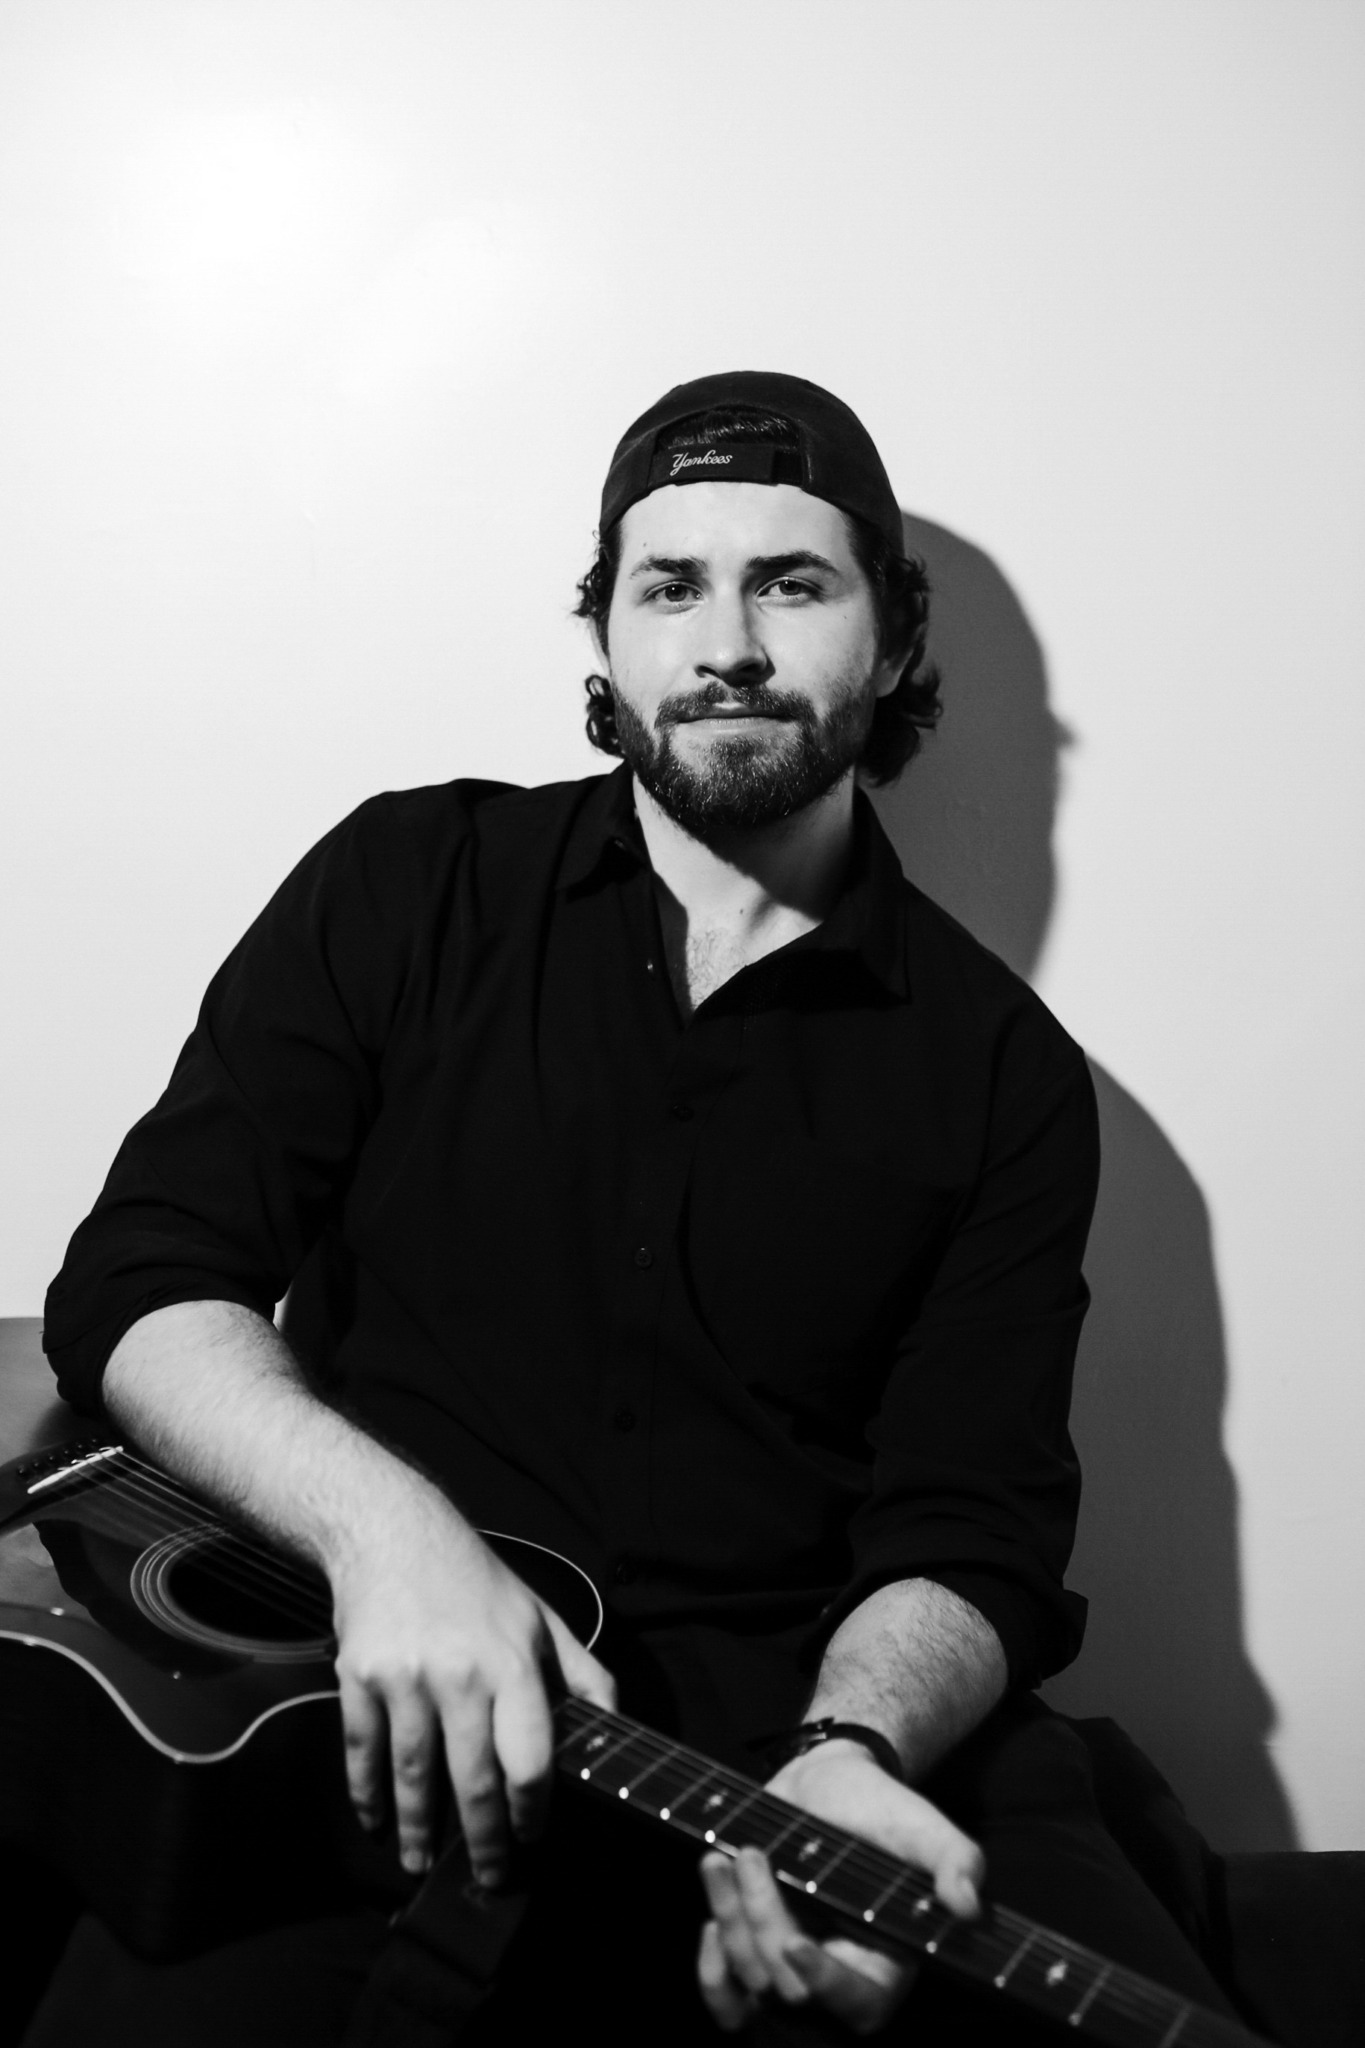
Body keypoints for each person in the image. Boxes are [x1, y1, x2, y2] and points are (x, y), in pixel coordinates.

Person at [36, 372, 1241, 2045]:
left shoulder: (1002, 1073)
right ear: (604, 638)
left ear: (893, 639)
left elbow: (972, 1529)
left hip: (793, 1739)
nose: (725, 645)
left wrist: (853, 1751)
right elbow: (146, 1283)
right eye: (669, 586)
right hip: (373, 1685)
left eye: (790, 583)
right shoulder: (406, 886)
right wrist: (394, 1543)